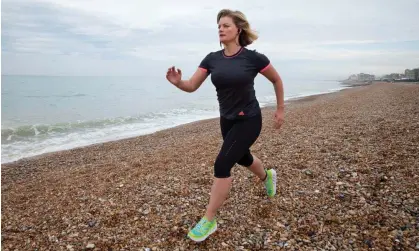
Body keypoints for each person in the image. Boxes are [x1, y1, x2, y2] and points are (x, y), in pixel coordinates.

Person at [165, 8, 285, 242]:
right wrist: (178, 83)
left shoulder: (253, 58)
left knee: (222, 164)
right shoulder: (212, 59)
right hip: (227, 119)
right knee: (242, 157)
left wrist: (280, 110)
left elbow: (276, 79)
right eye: (219, 26)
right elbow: (191, 85)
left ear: (238, 30)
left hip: (249, 118)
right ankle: (267, 176)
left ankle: (209, 220)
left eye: (226, 25)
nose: (221, 29)